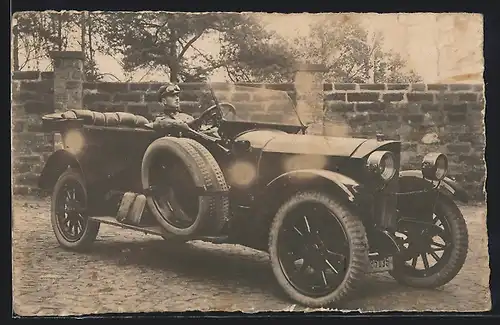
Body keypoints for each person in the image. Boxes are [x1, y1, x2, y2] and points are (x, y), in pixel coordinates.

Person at [148, 82, 219, 137]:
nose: (177, 98)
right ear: (164, 101)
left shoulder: (186, 116)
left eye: (177, 95)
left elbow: (199, 132)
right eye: (172, 96)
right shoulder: (161, 119)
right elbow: (165, 124)